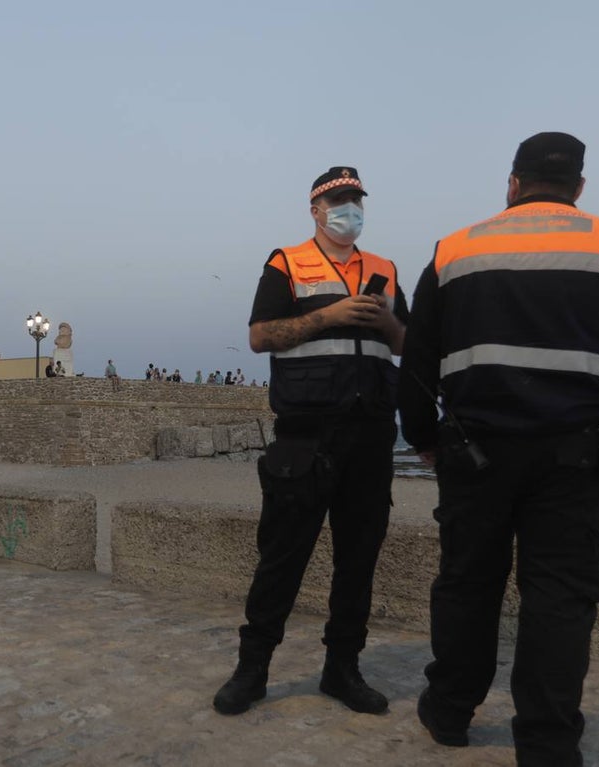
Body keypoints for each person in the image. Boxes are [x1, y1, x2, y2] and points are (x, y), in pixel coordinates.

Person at [398, 132, 599, 765]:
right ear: (579, 189)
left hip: (473, 455)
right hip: (576, 460)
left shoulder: (454, 251)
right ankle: (549, 742)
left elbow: (418, 358)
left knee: (466, 583)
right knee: (560, 596)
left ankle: (449, 713)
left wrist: (421, 436)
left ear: (512, 182)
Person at [213, 166, 407, 717]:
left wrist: (385, 322)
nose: (351, 209)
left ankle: (342, 670)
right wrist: (331, 315)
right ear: (316, 210)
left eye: (356, 200)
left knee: (358, 558)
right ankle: (252, 671)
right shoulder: (286, 263)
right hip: (305, 435)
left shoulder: (386, 270)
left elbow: (406, 343)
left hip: (370, 434)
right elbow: (259, 337)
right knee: (281, 556)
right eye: (339, 200)